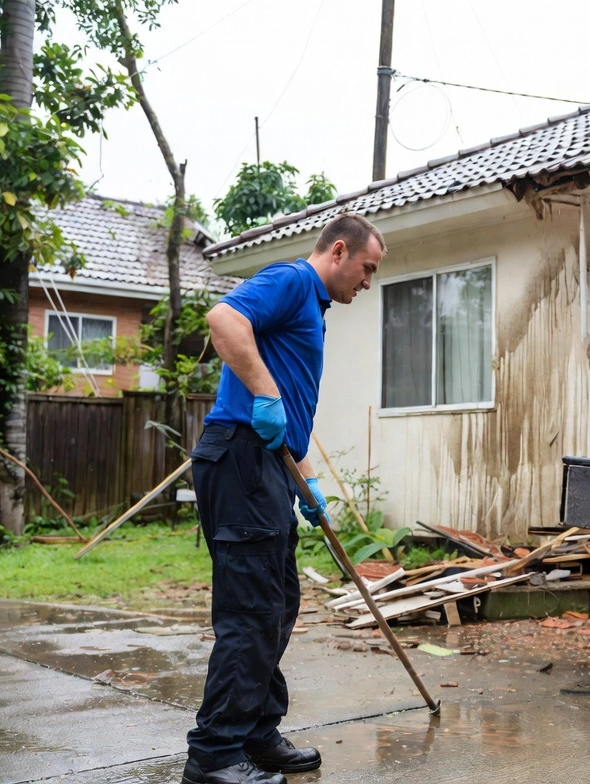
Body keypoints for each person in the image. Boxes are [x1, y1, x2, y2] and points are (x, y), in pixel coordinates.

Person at [182, 214, 385, 784]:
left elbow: (288, 417)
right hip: (241, 456)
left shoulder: (311, 310)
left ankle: (254, 731)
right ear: (339, 251)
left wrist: (309, 480)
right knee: (250, 612)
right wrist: (266, 398)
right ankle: (215, 755)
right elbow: (223, 318)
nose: (368, 281)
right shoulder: (294, 280)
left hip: (269, 462)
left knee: (277, 604)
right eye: (367, 269)